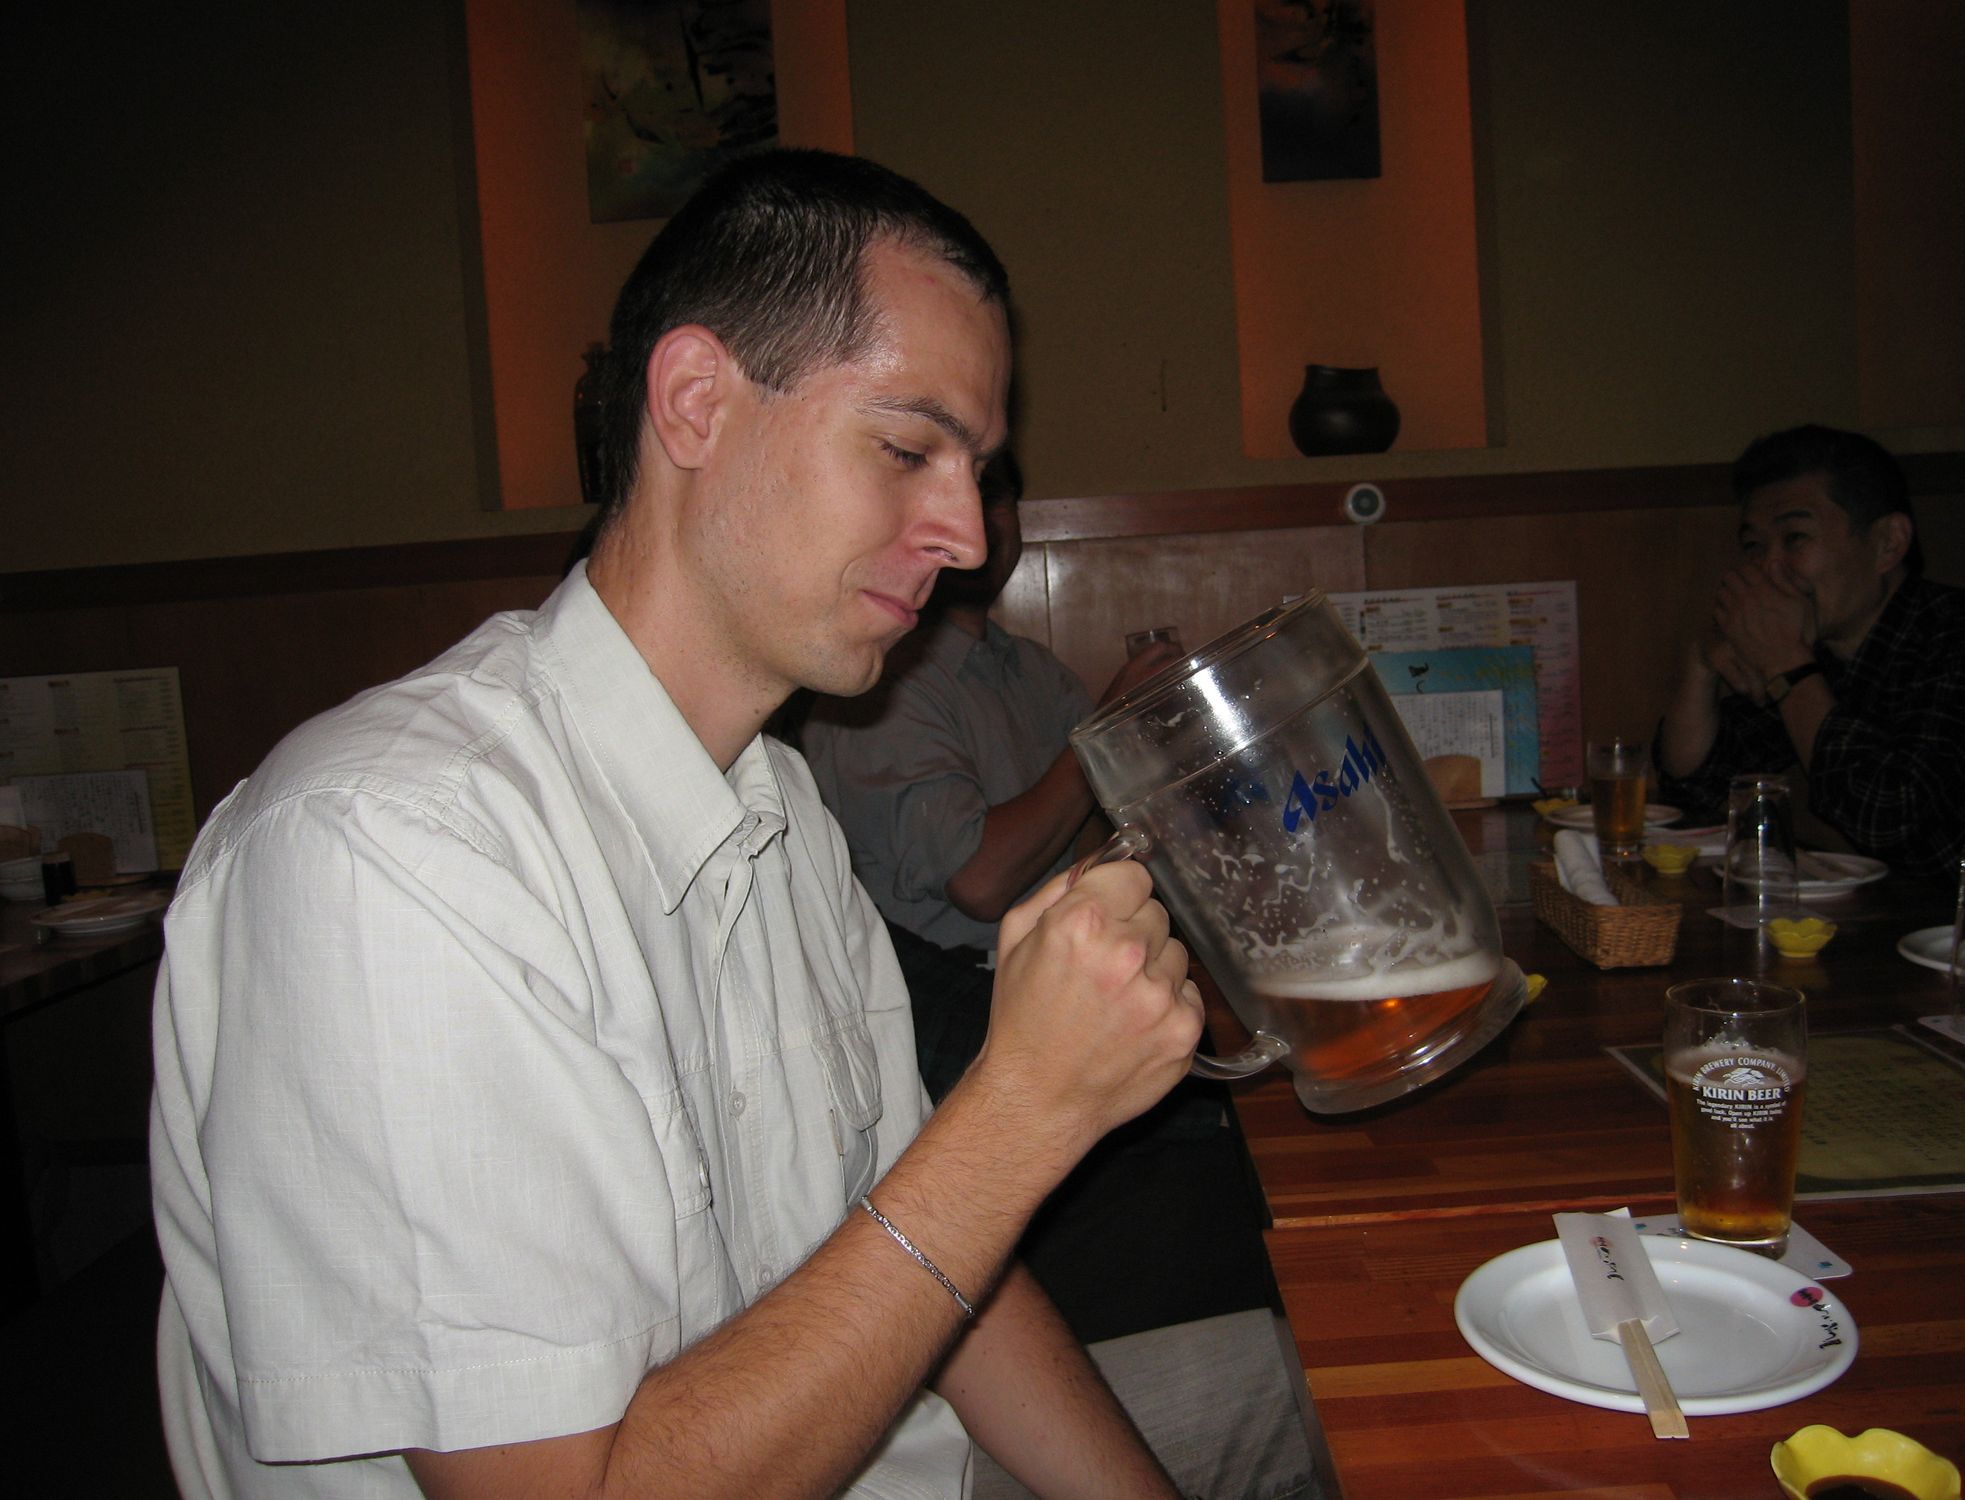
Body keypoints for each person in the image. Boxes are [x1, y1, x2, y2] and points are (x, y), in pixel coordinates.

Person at [150, 148, 1316, 1499]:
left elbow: (941, 1261)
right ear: (697, 403)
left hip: (894, 1462)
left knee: (1325, 1383)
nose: (964, 533)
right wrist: (1023, 1112)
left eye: (975, 467)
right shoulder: (389, 852)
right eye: (906, 448)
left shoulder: (779, 809)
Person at [800, 447, 1179, 1097]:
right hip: (934, 1020)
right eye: (959, 496)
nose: (977, 519)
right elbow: (979, 881)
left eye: (994, 496)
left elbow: (1095, 844)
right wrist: (1105, 735)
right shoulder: (878, 681)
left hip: (1060, 991)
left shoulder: (1037, 672)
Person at [1655, 424, 1965, 875]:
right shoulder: (1821, 650)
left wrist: (1788, 667)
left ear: (1889, 543)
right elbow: (1694, 786)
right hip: (1898, 913)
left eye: (1795, 538)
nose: (1768, 568)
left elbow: (1888, 817)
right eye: (1754, 546)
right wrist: (1701, 664)